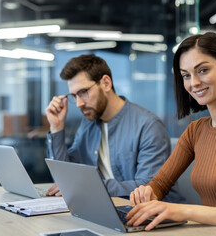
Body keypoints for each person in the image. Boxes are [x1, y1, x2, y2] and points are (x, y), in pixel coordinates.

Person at [126, 32, 216, 236]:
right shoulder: (195, 130)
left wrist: (183, 211)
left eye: (202, 70)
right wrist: (146, 193)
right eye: (186, 75)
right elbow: (160, 184)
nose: (194, 82)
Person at [45, 54, 184, 203]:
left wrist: (91, 186)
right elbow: (65, 178)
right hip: (108, 208)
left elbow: (149, 188)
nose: (79, 103)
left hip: (156, 217)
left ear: (106, 83)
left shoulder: (148, 126)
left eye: (83, 92)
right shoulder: (88, 124)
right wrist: (57, 128)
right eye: (74, 96)